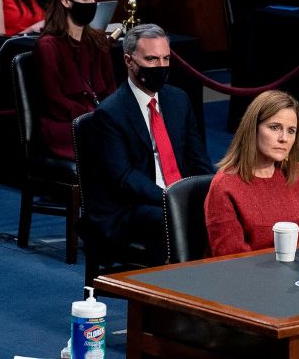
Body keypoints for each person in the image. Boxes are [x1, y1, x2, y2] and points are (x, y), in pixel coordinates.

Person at [80, 24, 214, 263]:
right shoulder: (111, 113)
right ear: (129, 61)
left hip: (175, 194)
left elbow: (198, 159)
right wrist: (171, 199)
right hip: (131, 206)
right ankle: (172, 292)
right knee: (173, 220)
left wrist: (212, 192)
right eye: (151, 59)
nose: (160, 67)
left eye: (165, 58)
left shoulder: (178, 100)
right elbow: (124, 178)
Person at [204, 91, 299, 256]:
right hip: (256, 278)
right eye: (275, 127)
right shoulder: (225, 185)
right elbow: (233, 258)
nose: (284, 138)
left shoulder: (296, 172)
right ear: (253, 129)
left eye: (291, 131)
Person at [33, 0, 117, 160]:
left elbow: (111, 88)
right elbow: (54, 99)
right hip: (65, 124)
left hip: (98, 118)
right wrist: (92, 116)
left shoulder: (97, 41)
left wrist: (110, 114)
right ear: (66, 1)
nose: (92, 4)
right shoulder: (48, 45)